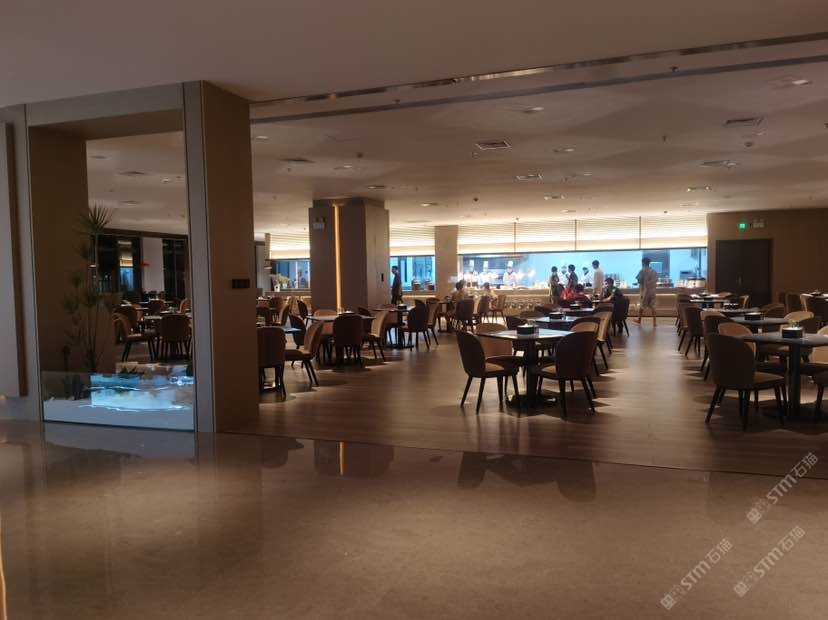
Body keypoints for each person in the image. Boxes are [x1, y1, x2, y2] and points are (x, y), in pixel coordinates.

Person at [635, 257, 658, 326]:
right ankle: (654, 322)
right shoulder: (654, 271)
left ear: (643, 263)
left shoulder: (642, 271)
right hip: (653, 291)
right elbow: (656, 280)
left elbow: (639, 280)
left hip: (645, 291)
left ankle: (639, 320)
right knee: (653, 306)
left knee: (642, 306)